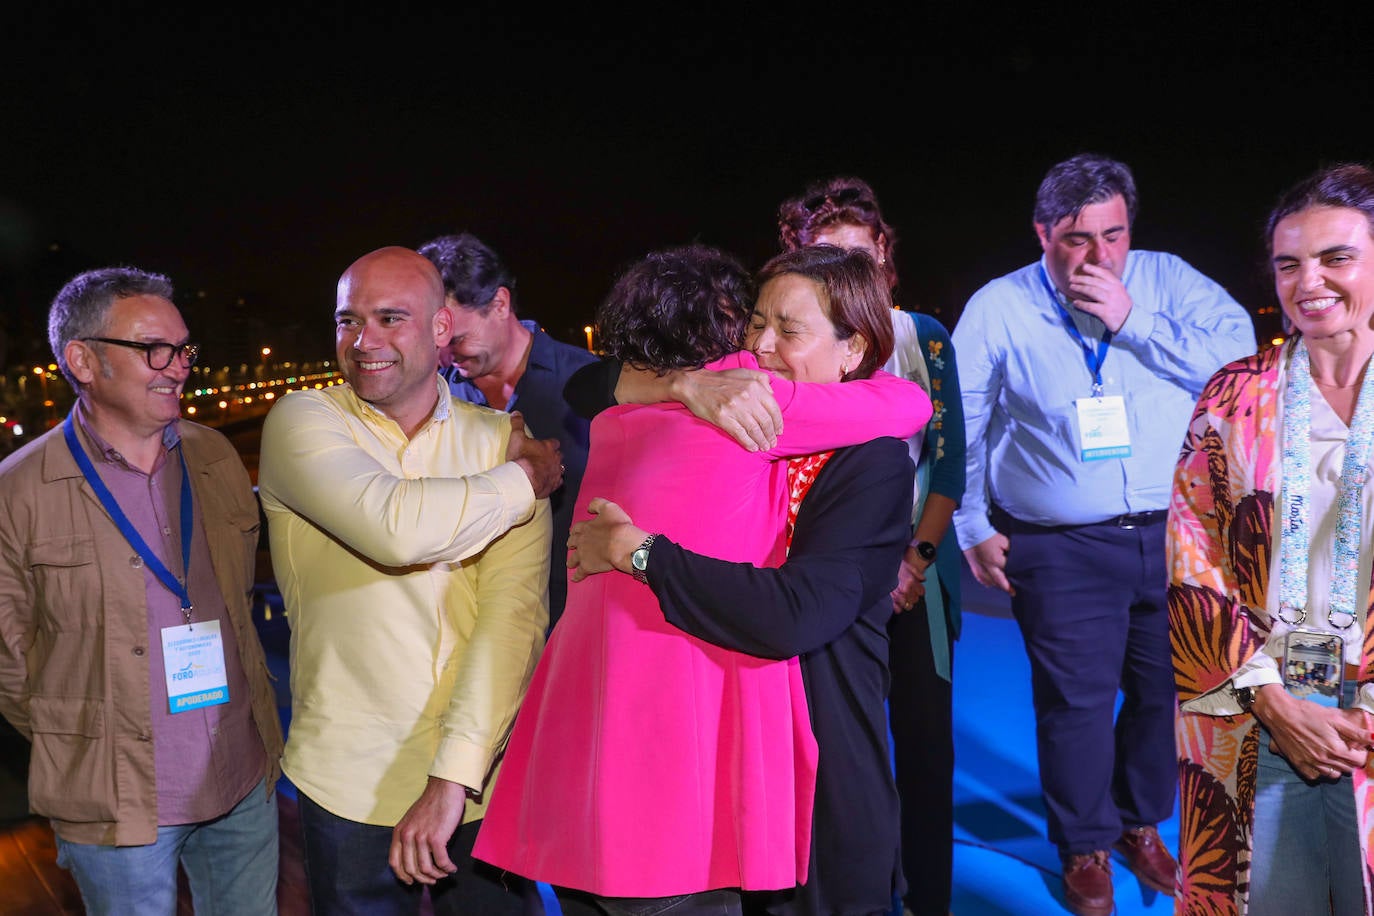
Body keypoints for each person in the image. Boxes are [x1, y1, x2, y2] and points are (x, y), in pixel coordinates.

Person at [474, 243, 929, 915]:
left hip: (820, 779)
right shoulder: (730, 404)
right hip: (718, 770)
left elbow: (796, 612)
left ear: (854, 348)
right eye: (755, 323)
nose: (762, 347)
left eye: (789, 330)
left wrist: (641, 554)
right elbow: (589, 384)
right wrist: (684, 384)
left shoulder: (864, 460)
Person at [951, 152, 1256, 916]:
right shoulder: (999, 305)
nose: (1099, 256)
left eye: (1113, 235)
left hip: (1177, 534)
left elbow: (1240, 358)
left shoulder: (1165, 281)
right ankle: (1083, 842)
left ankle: (1136, 821)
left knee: (1167, 693)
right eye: (1077, 239)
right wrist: (972, 523)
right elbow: (962, 418)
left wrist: (1134, 320)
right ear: (1042, 233)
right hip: (1059, 544)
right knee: (1075, 703)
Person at [256, 246, 561, 915]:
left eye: (390, 318)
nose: (363, 341)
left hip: (480, 780)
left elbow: (512, 619)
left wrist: (454, 777)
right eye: (347, 320)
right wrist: (522, 480)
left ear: (442, 328)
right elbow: (394, 530)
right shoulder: (302, 422)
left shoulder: (496, 438)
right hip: (349, 783)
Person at [0, 267, 285, 914]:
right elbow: (8, 663)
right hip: (115, 802)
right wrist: (83, 736)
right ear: (84, 359)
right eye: (153, 349)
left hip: (243, 776)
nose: (178, 367)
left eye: (183, 349)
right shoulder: (15, 493)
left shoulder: (214, 459)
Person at [1168, 162, 1374, 915]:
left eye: (1335, 257)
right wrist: (1271, 697)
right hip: (1262, 704)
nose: (1308, 280)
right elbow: (1194, 554)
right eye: (1289, 263)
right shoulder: (1231, 395)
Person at [777, 175, 966, 916]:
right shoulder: (793, 347)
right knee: (835, 759)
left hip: (915, 577)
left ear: (885, 255)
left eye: (859, 254)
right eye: (827, 257)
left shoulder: (922, 337)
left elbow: (948, 463)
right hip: (828, 581)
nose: (847, 272)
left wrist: (911, 563)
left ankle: (928, 902)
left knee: (924, 755)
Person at [418, 231, 596, 627]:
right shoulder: (431, 399)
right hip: (474, 626)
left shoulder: (589, 382)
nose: (446, 355)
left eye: (458, 338)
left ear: (499, 303)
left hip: (576, 620)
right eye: (437, 342)